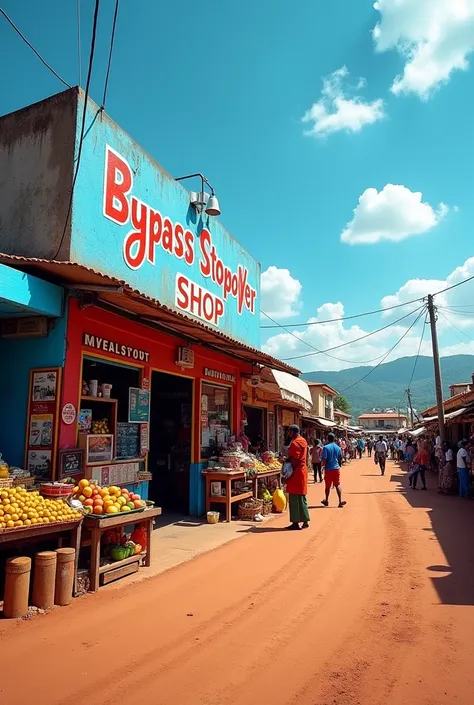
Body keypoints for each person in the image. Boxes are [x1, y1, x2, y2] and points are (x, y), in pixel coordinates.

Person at [285, 425, 311, 529]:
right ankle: (305, 520)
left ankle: (295, 522)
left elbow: (294, 460)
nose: (288, 433)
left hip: (296, 473)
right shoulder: (303, 440)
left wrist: (286, 462)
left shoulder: (295, 443)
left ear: (292, 432)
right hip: (302, 471)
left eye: (289, 431)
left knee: (294, 498)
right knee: (301, 497)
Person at [321, 432, 346, 508]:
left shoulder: (325, 447)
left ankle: (326, 500)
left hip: (328, 469)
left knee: (327, 486)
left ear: (327, 439)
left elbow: (324, 459)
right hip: (336, 468)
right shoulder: (338, 448)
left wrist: (323, 467)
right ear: (334, 439)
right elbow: (340, 458)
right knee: (337, 484)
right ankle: (340, 501)